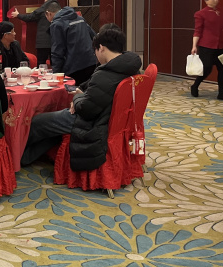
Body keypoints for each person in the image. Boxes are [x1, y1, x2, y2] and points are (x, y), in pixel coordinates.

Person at [21, 27, 141, 169]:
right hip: (113, 118)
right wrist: (82, 94)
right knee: (53, 124)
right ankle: (29, 156)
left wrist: (77, 97)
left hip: (94, 122)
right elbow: (94, 88)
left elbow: (86, 110)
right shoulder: (129, 67)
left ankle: (21, 157)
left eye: (95, 51)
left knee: (37, 121)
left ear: (101, 48)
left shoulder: (106, 74)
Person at [45, 2, 98, 85]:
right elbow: (94, 36)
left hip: (74, 67)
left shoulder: (57, 24)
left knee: (74, 91)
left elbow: (57, 51)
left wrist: (56, 74)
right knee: (87, 90)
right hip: (91, 62)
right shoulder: (79, 18)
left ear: (48, 13)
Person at [11, 0, 59, 65]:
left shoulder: (42, 8)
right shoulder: (58, 8)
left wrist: (18, 15)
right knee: (56, 63)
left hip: (43, 42)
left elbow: (29, 17)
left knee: (41, 64)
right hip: (56, 41)